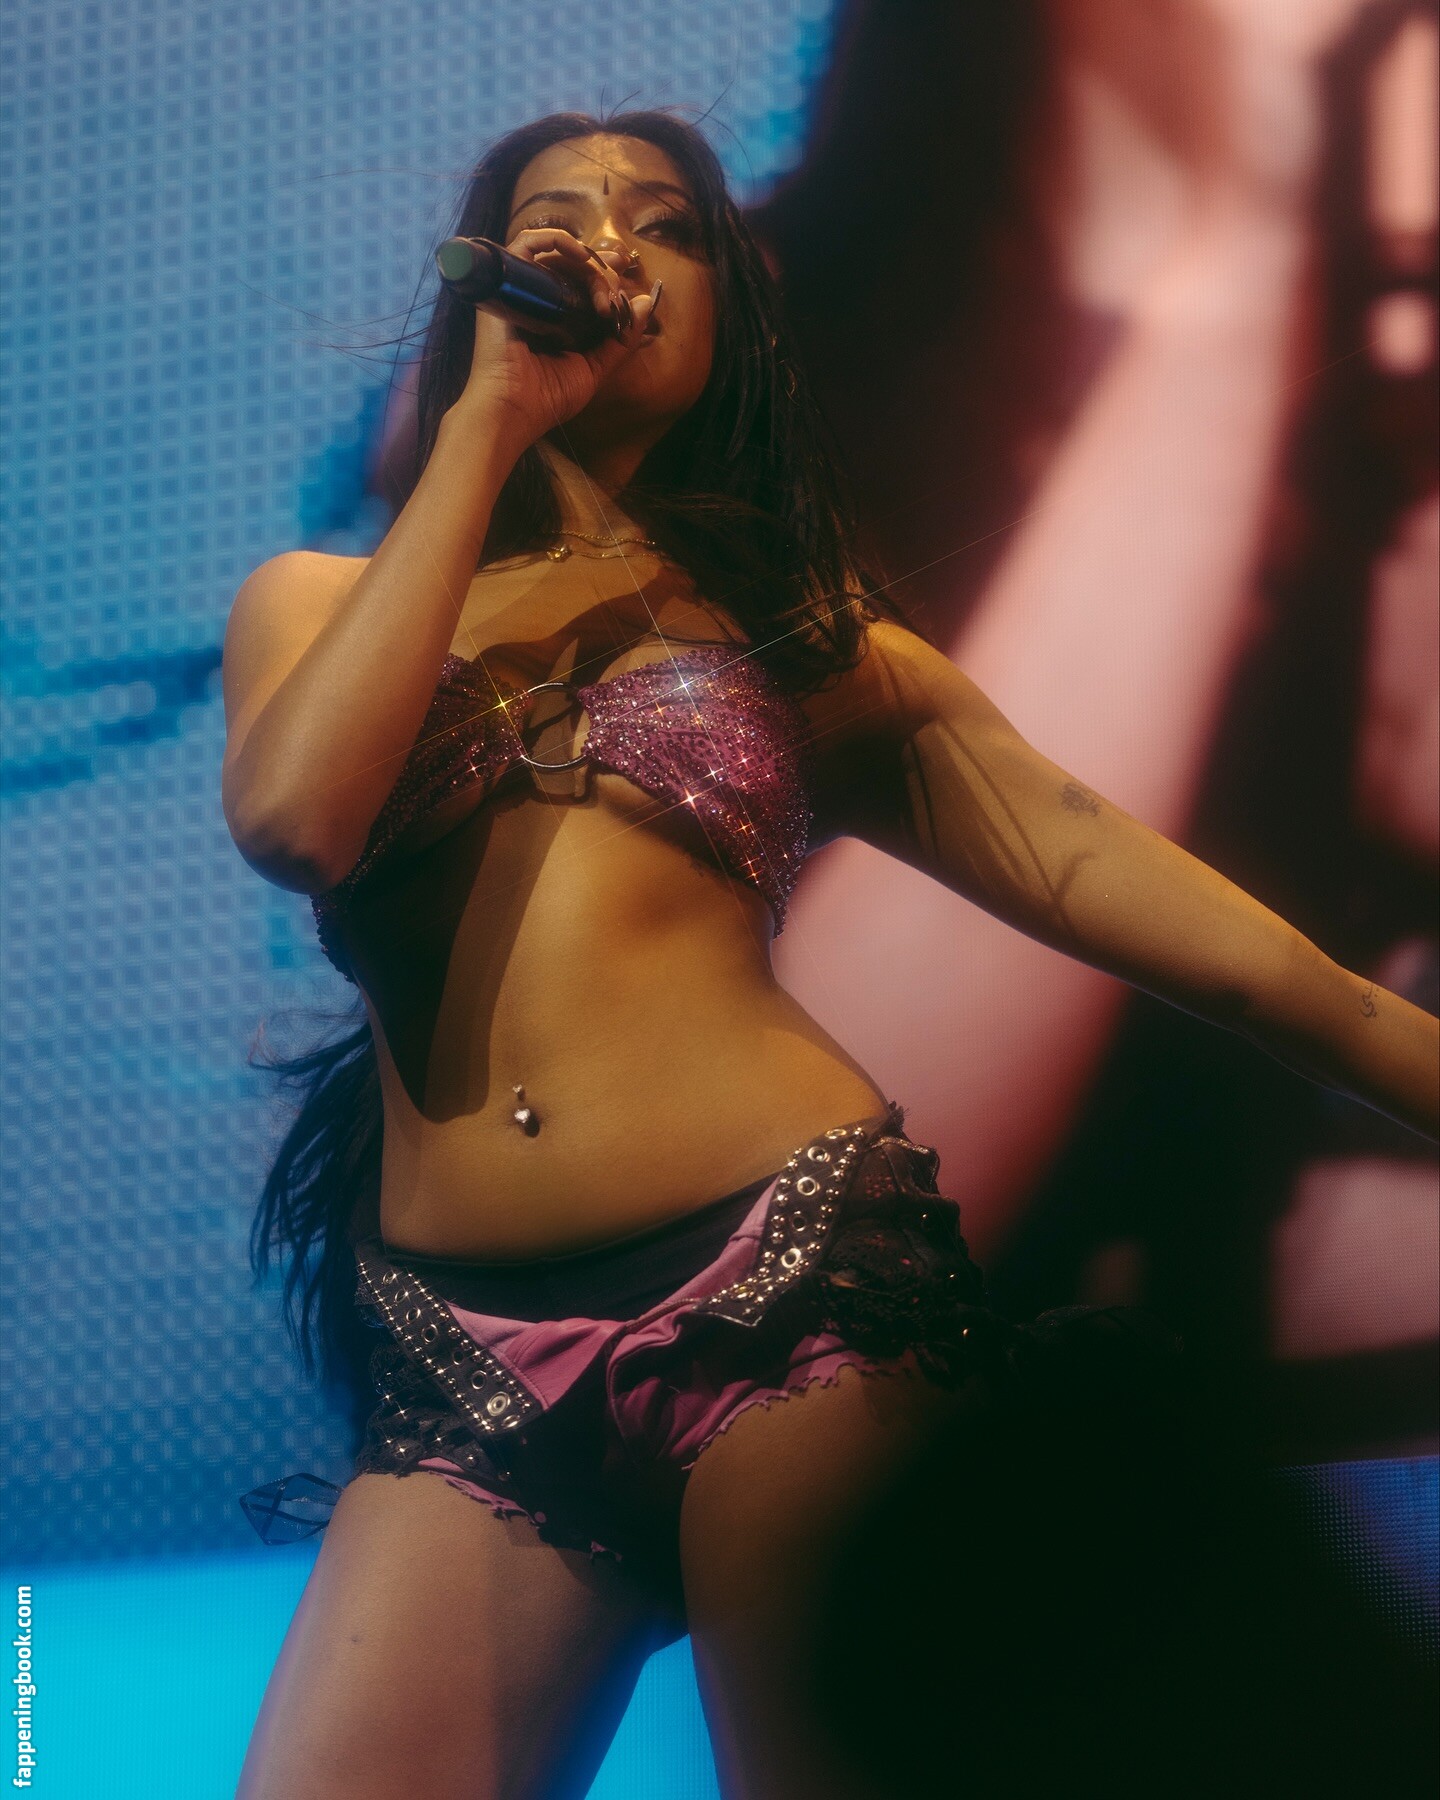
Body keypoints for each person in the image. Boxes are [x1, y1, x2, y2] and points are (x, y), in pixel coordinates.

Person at [222, 109, 1438, 1800]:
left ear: (729, 307)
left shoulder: (818, 653)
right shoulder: (310, 605)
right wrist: (489, 421)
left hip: (788, 1288)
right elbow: (299, 822)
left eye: (663, 226)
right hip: (462, 1355)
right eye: (560, 219)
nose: (608, 250)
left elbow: (1249, 966)